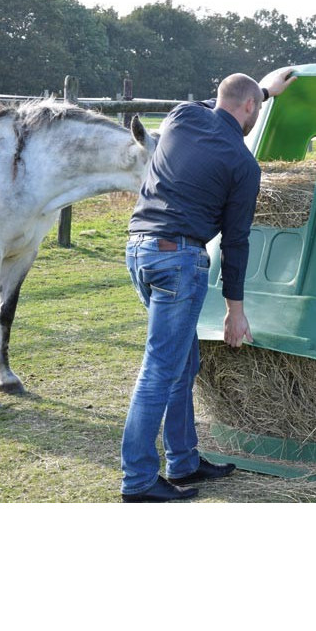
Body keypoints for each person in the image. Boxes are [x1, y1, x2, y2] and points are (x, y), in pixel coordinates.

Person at [120, 68, 296, 503]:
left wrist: (265, 90)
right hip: (179, 260)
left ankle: (183, 460)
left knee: (182, 362)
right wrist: (236, 310)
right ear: (251, 108)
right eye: (257, 105)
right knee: (160, 369)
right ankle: (138, 481)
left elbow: (216, 105)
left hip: (138, 250)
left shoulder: (181, 117)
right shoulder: (242, 163)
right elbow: (235, 242)